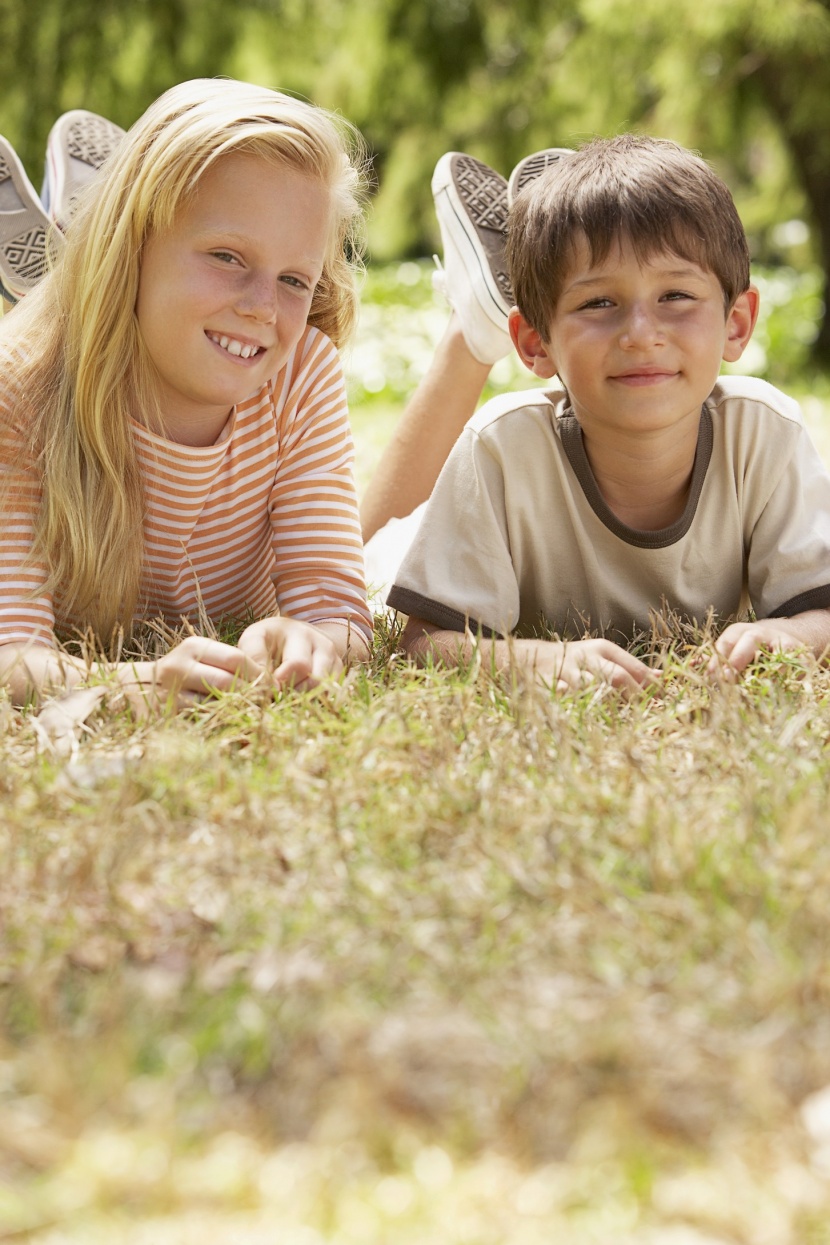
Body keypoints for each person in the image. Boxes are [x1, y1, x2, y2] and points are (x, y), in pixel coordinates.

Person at [378, 136, 830, 691]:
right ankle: (474, 323)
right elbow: (423, 642)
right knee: (358, 565)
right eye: (598, 303)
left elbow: (821, 615)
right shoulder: (500, 447)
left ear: (735, 323)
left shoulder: (764, 432)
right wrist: (536, 661)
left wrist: (791, 637)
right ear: (536, 344)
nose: (641, 335)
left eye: (676, 296)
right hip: (418, 542)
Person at [0, 79, 373, 711]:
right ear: (134, 245)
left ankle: (78, 226)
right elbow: (11, 651)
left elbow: (337, 610)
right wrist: (127, 683)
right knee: (50, 348)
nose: (262, 308)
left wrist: (314, 639)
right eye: (228, 256)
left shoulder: (300, 371)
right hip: (64, 356)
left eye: (292, 279)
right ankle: (75, 245)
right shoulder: (21, 392)